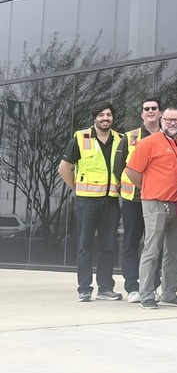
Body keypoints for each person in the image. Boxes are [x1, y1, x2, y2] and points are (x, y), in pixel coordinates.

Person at [125, 107, 177, 309]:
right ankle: (146, 294)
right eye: (169, 120)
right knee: (152, 248)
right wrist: (149, 188)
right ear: (162, 120)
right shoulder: (148, 143)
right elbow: (132, 171)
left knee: (174, 252)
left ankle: (169, 293)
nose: (172, 123)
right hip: (155, 202)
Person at [58, 101, 125, 302]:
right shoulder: (80, 138)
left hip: (111, 200)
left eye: (109, 115)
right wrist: (77, 188)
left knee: (108, 246)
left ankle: (105, 288)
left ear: (113, 118)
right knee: (85, 245)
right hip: (87, 201)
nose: (105, 118)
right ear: (94, 117)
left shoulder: (121, 139)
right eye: (101, 115)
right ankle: (84, 289)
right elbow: (64, 168)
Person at [118, 98, 162, 303]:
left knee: (155, 243)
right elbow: (119, 168)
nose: (150, 111)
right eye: (147, 109)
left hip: (159, 199)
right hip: (133, 200)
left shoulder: (168, 136)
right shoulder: (130, 137)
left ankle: (153, 285)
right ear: (142, 114)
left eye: (154, 108)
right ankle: (133, 287)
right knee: (131, 242)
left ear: (160, 113)